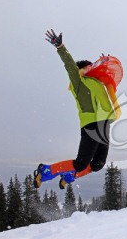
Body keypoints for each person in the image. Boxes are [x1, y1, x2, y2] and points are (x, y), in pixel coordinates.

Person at [34, 29, 120, 189]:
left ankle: (69, 175)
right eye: (90, 66)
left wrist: (104, 62)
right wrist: (61, 47)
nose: (93, 68)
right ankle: (46, 170)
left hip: (104, 124)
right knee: (81, 163)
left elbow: (109, 80)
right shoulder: (79, 82)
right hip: (91, 125)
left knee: (98, 164)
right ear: (83, 69)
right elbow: (70, 66)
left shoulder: (98, 82)